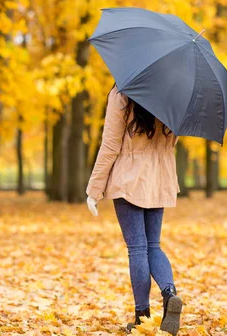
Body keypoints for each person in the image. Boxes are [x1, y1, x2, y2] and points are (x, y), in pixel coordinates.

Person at [86, 85, 182, 335]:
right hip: (160, 178)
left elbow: (110, 146)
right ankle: (169, 293)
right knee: (154, 245)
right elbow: (172, 140)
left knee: (137, 249)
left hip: (129, 178)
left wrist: (94, 189)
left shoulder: (122, 93)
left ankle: (142, 318)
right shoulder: (172, 93)